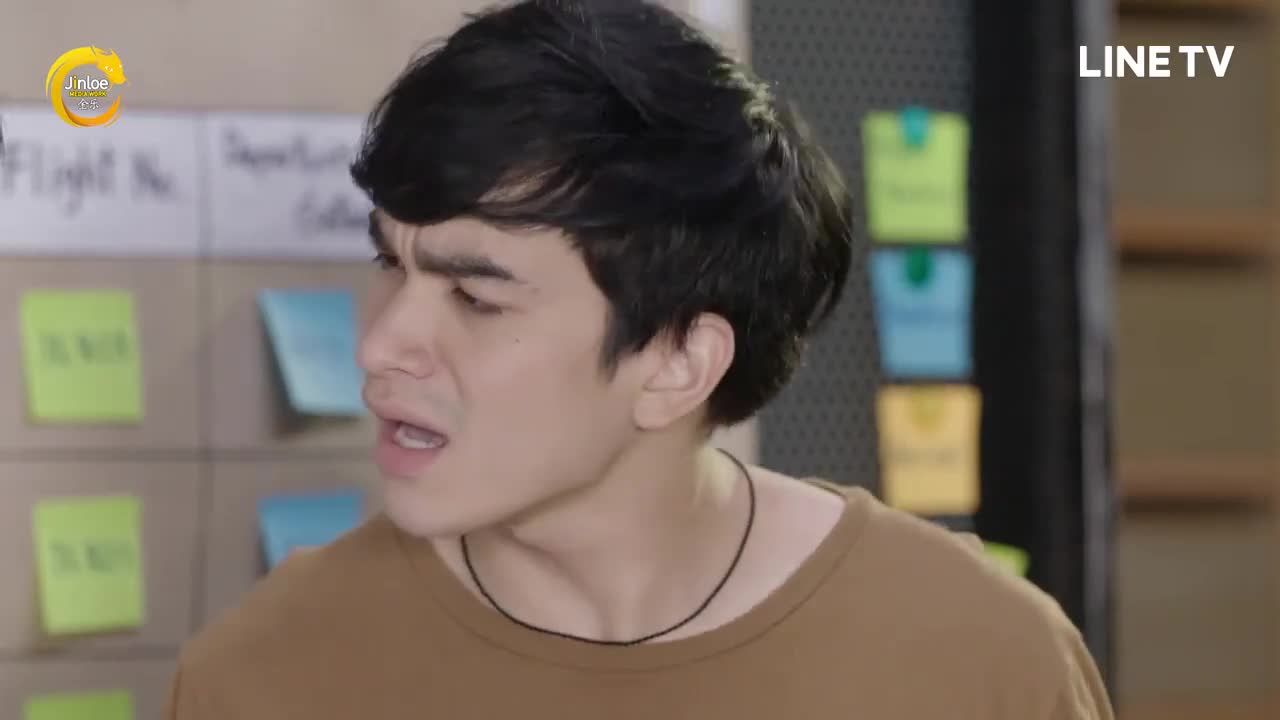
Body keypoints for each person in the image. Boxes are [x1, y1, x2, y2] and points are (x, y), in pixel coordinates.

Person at [165, 1, 1114, 718]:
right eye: (390, 264)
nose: (378, 346)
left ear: (677, 363)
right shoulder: (266, 673)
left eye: (475, 297)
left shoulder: (979, 661)